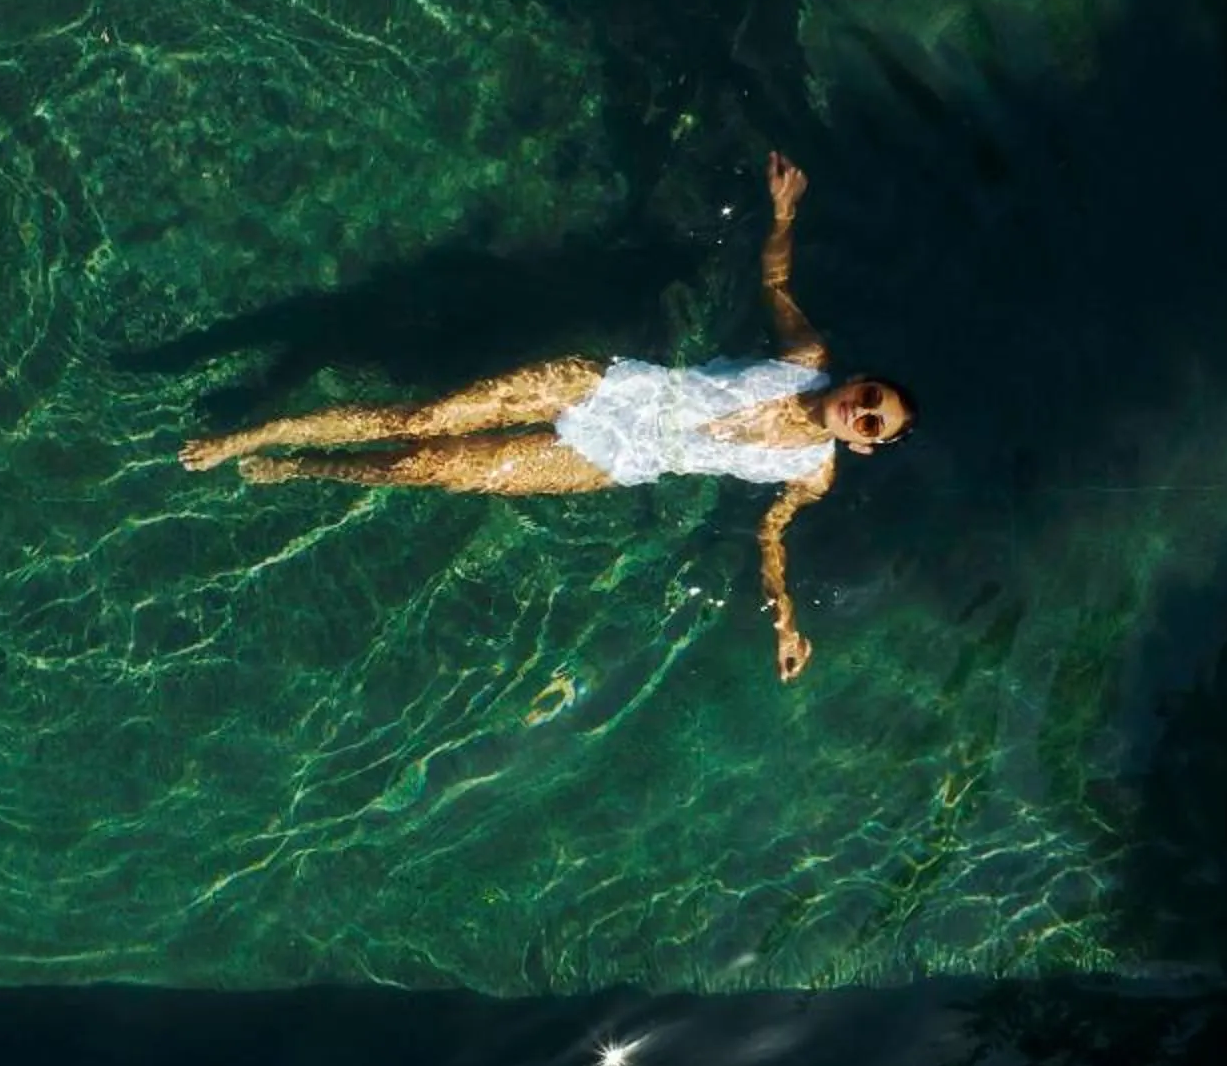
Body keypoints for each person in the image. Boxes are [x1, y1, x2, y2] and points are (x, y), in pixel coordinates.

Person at [180, 153, 912, 680]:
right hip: (611, 391)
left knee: (425, 468)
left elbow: (770, 533)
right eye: (871, 396)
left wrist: (785, 618)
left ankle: (304, 464)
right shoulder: (806, 357)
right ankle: (259, 431)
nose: (863, 412)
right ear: (858, 379)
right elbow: (775, 281)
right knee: (425, 419)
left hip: (614, 462)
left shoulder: (811, 473)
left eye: (872, 423)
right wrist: (783, 216)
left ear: (868, 445)